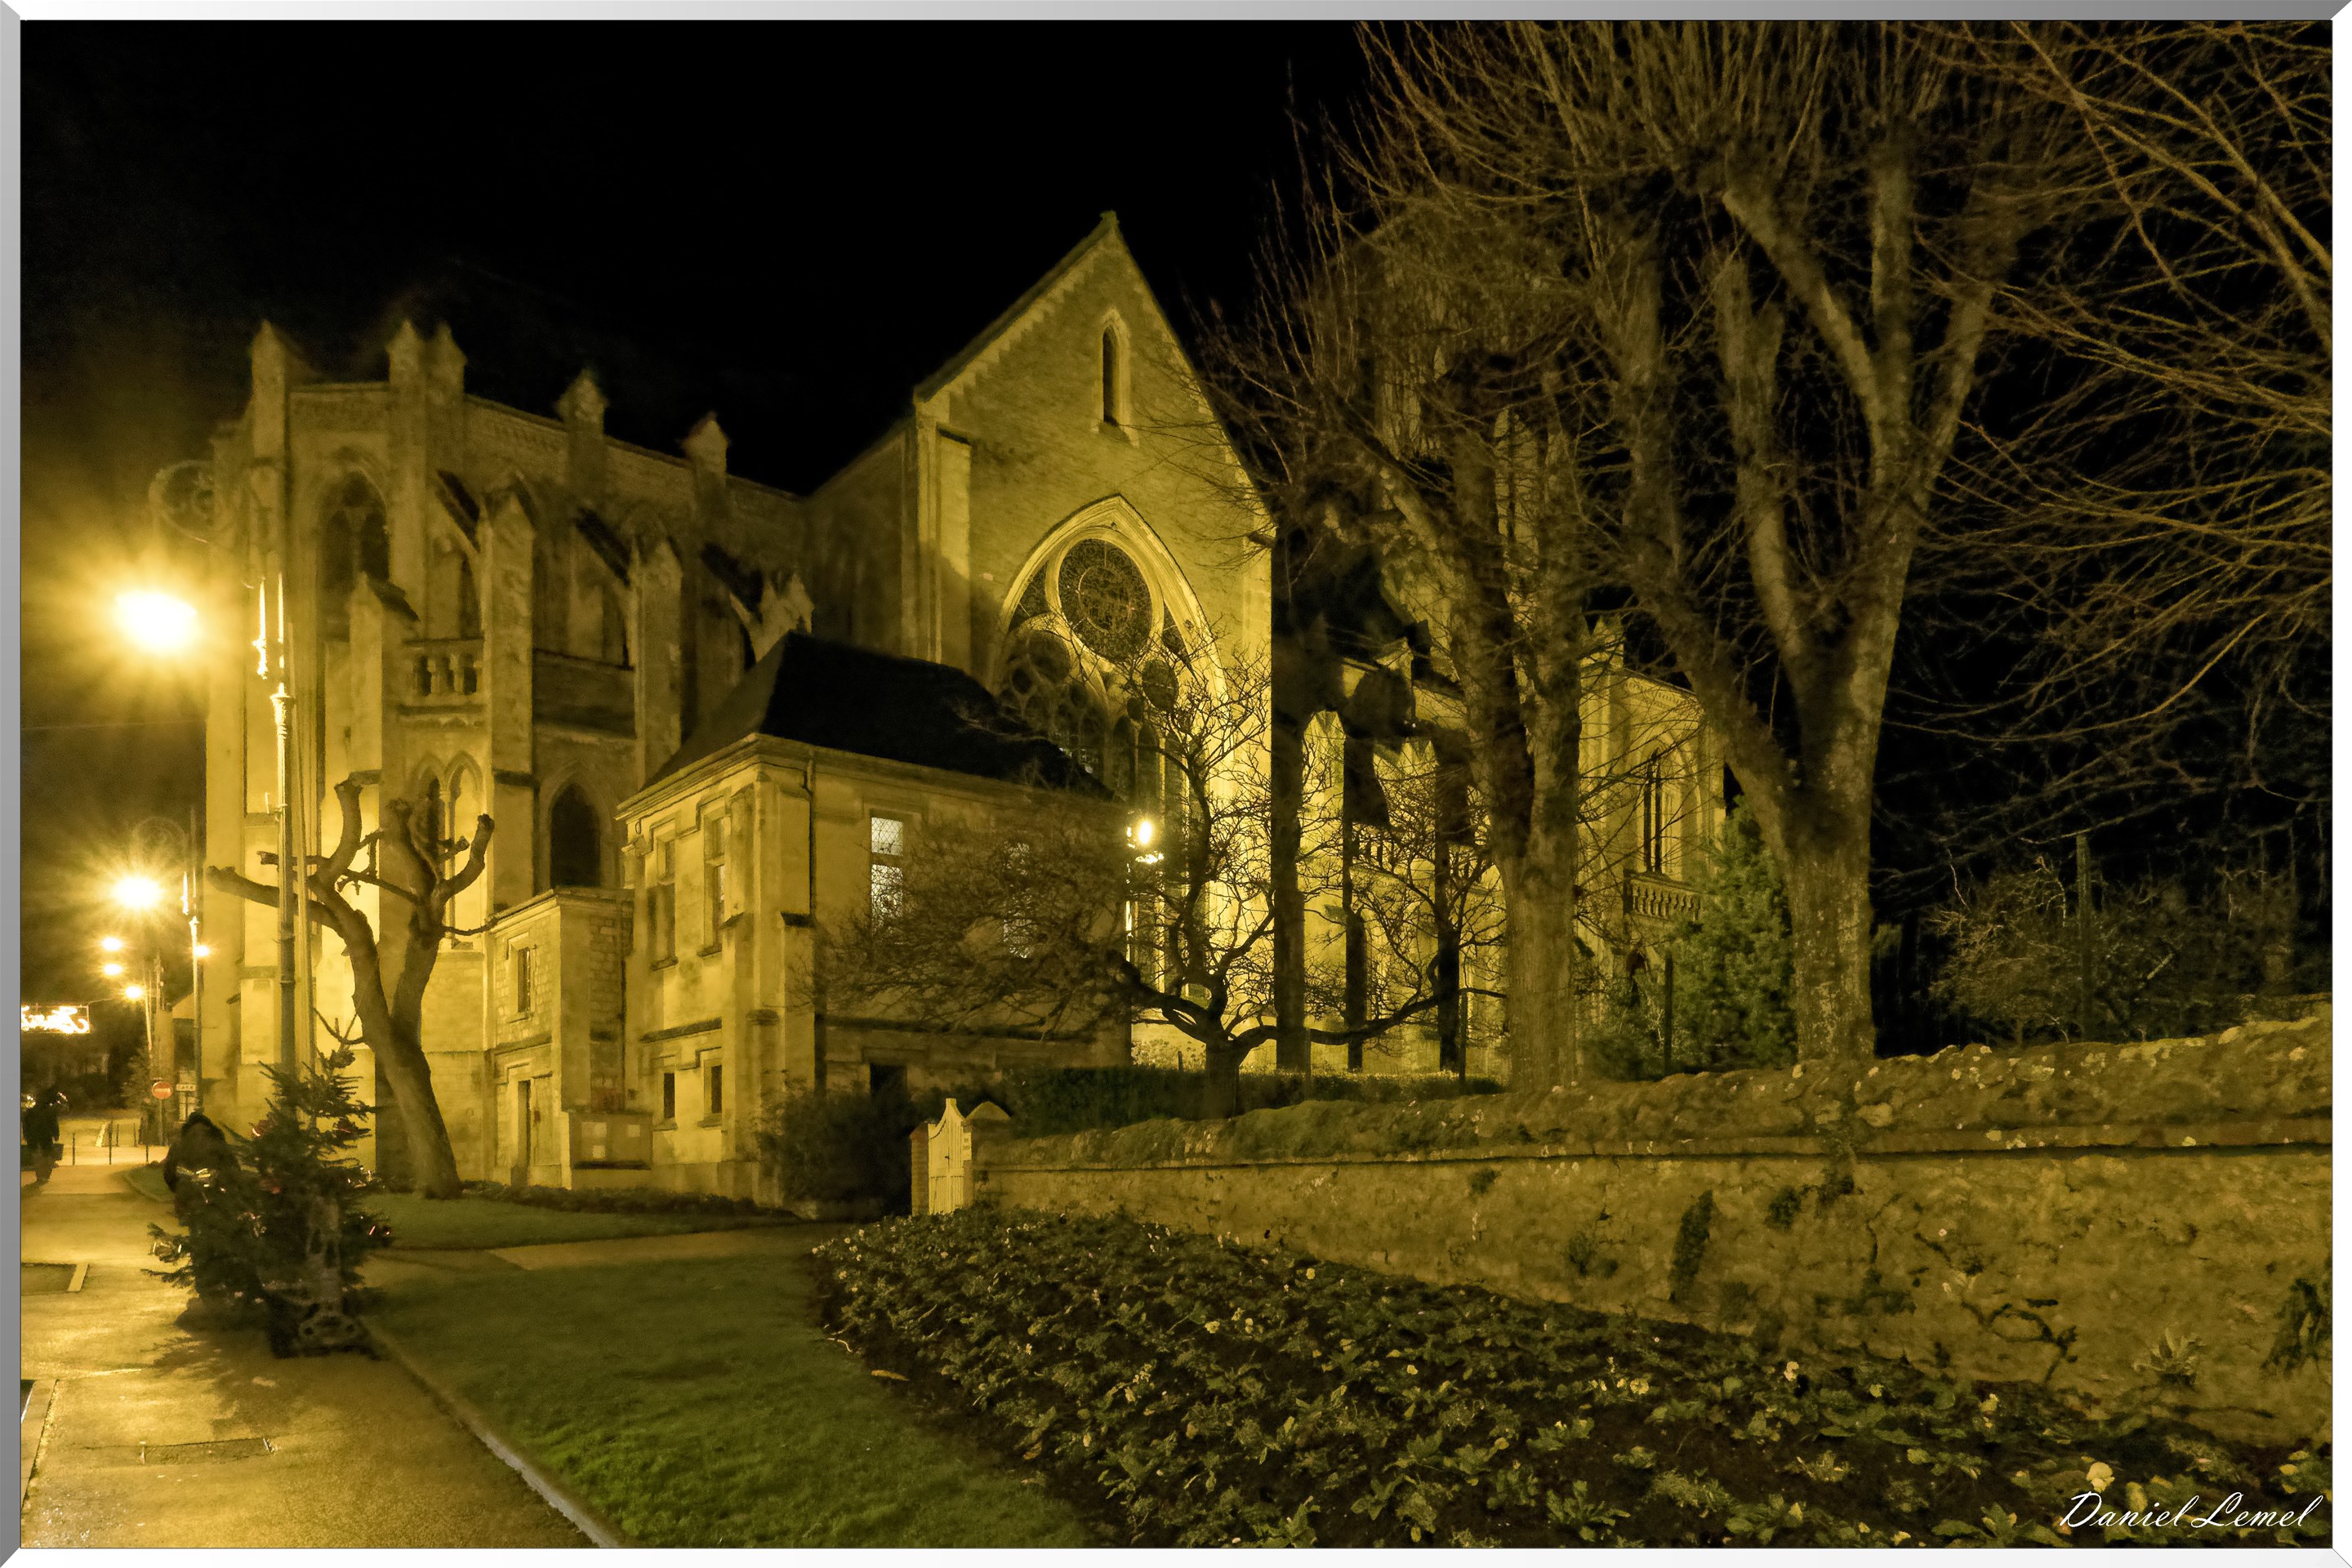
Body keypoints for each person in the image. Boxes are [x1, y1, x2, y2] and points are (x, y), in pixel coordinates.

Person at [162, 1112, 238, 1221]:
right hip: (214, 1195)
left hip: (186, 1194)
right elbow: (231, 1167)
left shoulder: (178, 1144)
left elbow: (169, 1172)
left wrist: (177, 1187)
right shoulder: (217, 1141)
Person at [21, 1090, 62, 1186]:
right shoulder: (49, 1111)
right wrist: (56, 1135)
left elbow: (26, 1125)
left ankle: (40, 1176)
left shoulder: (30, 1112)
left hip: (33, 1137)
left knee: (37, 1157)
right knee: (47, 1156)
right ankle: (45, 1175)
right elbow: (54, 1124)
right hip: (45, 1136)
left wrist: (26, 1135)